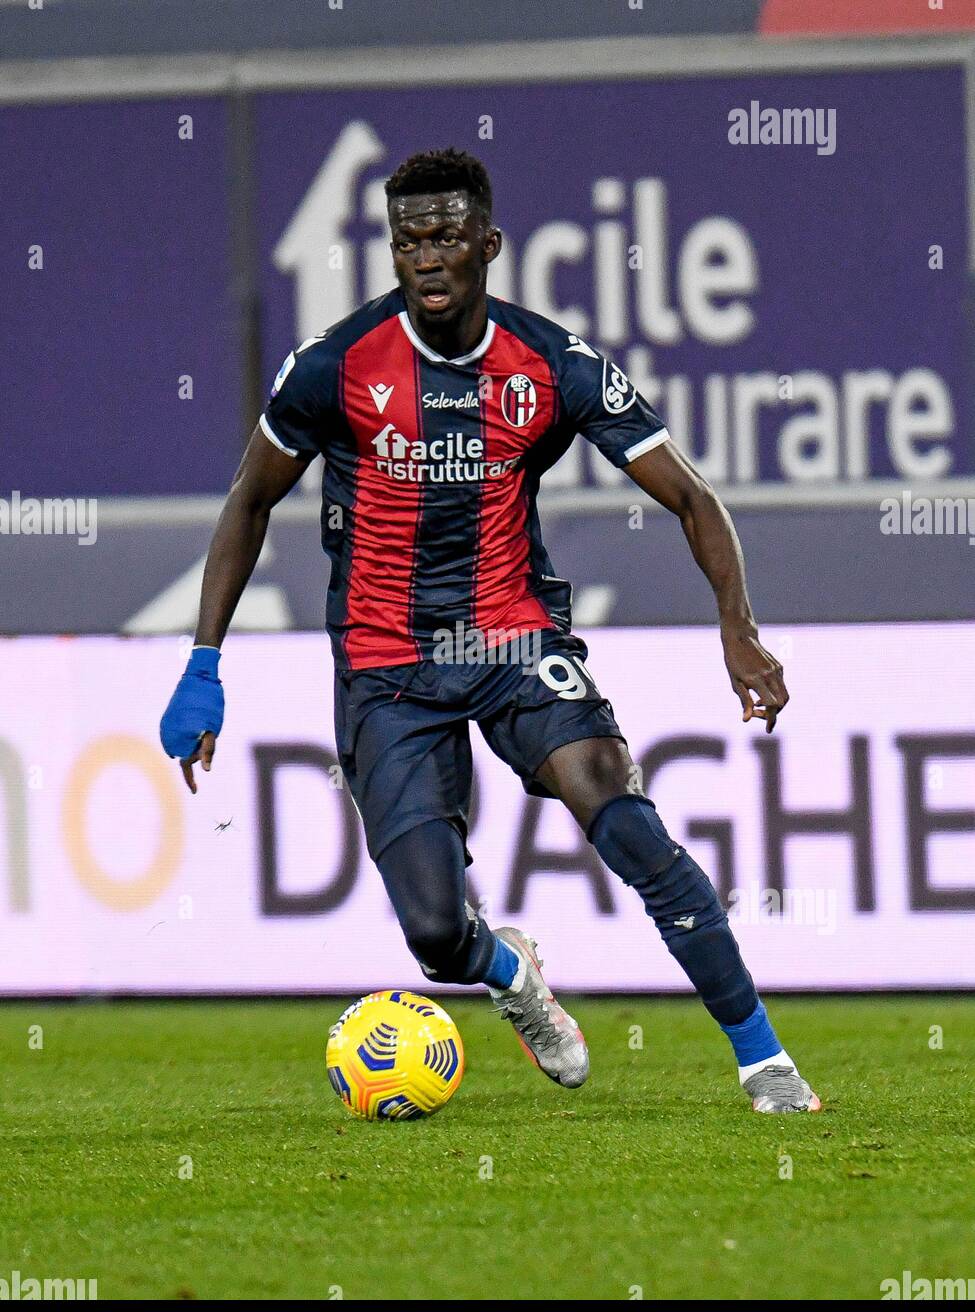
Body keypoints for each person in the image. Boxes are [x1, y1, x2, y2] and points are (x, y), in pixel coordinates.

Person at [161, 147, 820, 1114]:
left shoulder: (552, 364)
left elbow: (690, 495)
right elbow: (248, 502)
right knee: (434, 932)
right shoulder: (335, 366)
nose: (426, 259)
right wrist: (203, 662)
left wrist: (738, 629)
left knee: (620, 813)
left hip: (510, 640)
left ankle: (763, 1060)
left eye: (445, 237)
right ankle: (510, 975)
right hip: (386, 667)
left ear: (488, 244)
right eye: (406, 241)